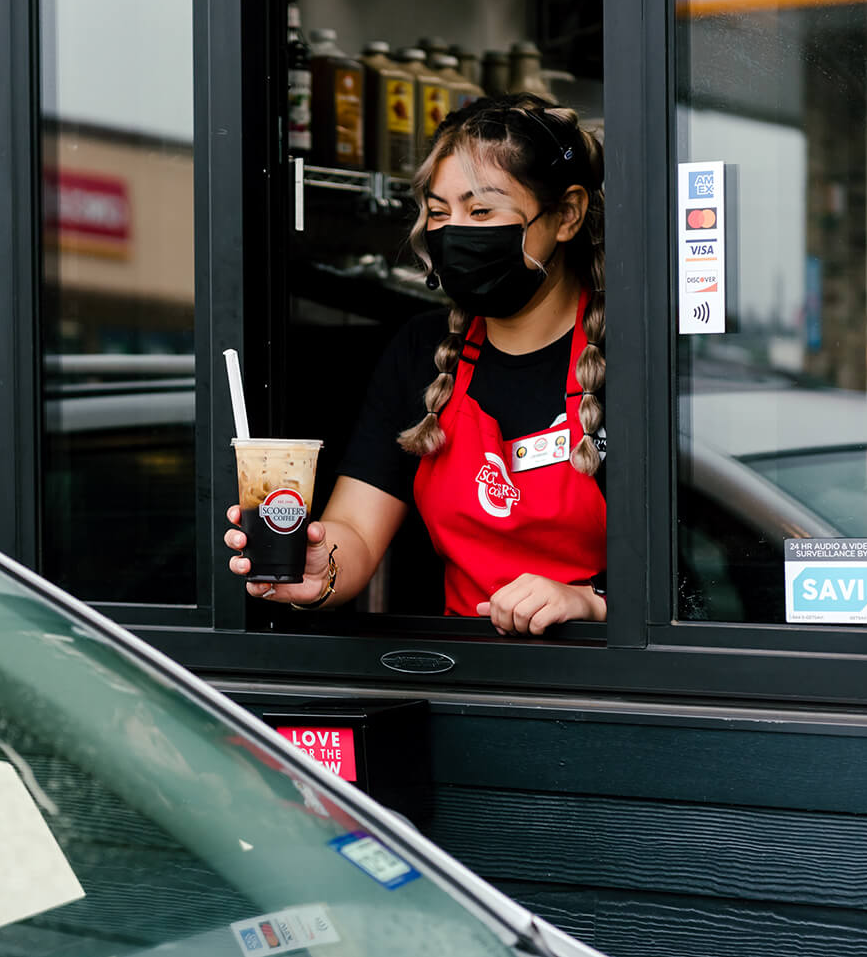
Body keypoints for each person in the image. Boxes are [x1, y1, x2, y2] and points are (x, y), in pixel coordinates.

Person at [225, 93, 607, 636]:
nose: (454, 232)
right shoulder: (421, 352)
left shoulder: (628, 356)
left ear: (566, 214)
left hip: (609, 686)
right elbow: (355, 529)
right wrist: (316, 570)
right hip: (464, 674)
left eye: (481, 211)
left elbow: (696, 588)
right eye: (437, 212)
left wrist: (591, 603)